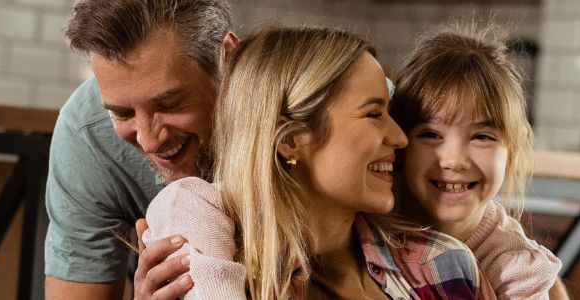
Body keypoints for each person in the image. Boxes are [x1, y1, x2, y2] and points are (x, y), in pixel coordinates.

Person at [140, 25, 484, 299]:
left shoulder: (444, 265)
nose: (400, 137)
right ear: (290, 141)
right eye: (373, 114)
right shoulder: (214, 265)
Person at [45, 0, 234, 298]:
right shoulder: (88, 136)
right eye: (122, 114)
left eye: (169, 103)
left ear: (228, 58)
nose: (149, 141)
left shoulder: (293, 109)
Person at [389, 24, 566, 299]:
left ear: (512, 150)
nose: (454, 161)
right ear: (400, 143)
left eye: (482, 137)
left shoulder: (516, 270)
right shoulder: (370, 210)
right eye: (431, 134)